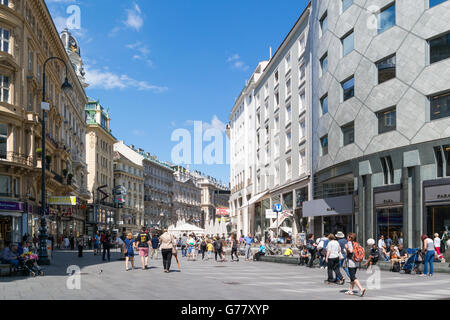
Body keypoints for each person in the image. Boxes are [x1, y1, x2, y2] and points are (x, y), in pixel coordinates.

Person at [345, 233, 367, 297]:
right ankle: (351, 290)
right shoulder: (356, 243)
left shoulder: (349, 243)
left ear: (350, 238)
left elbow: (351, 251)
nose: (347, 238)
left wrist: (346, 248)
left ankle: (361, 288)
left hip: (351, 262)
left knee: (353, 277)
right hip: (356, 262)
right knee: (352, 276)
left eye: (348, 237)